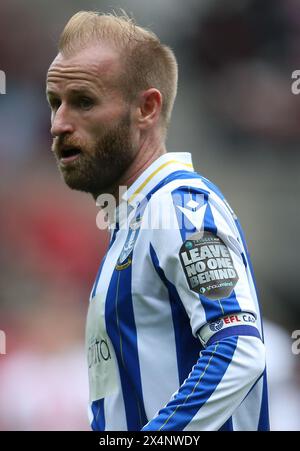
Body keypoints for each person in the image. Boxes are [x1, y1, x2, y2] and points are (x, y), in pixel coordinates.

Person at [46, 11, 269, 431]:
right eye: (54, 102)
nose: (58, 124)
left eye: (84, 101)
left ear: (146, 107)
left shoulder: (179, 207)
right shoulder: (133, 222)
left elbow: (238, 348)